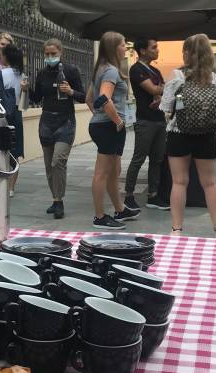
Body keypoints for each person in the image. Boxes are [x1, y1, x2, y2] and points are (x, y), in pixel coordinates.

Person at [159, 34, 216, 239]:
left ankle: (176, 230)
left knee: (179, 182)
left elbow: (165, 107)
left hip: (178, 134)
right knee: (210, 183)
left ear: (187, 53)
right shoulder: (215, 80)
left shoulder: (176, 76)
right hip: (206, 136)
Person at [86, 31, 140, 230]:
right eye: (123, 44)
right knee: (102, 173)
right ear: (113, 48)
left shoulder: (101, 69)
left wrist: (99, 117)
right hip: (109, 126)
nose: (126, 47)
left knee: (113, 171)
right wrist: (116, 120)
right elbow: (103, 98)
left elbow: (89, 100)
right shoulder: (110, 71)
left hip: (103, 125)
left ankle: (120, 209)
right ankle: (99, 217)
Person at [30, 38, 86, 219]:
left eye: (53, 54)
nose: (50, 57)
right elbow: (37, 97)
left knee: (58, 161)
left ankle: (59, 201)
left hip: (66, 122)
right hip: (46, 121)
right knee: (48, 166)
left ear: (61, 53)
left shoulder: (70, 71)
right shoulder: (42, 73)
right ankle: (55, 200)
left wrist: (71, 92)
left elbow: (83, 96)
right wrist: (26, 89)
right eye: (47, 54)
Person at [124, 37, 169, 211]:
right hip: (145, 120)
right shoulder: (136, 69)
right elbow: (154, 89)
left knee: (157, 159)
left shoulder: (155, 70)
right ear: (142, 50)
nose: (157, 50)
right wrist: (160, 90)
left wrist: (160, 92)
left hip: (159, 119)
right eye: (154, 47)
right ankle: (128, 195)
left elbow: (162, 90)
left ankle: (153, 196)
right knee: (139, 158)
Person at [0, 43, 28, 197]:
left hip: (2, 115)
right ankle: (11, 188)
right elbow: (25, 103)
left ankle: (1, 184)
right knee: (15, 150)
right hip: (17, 115)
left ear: (6, 57)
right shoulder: (23, 76)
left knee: (1, 150)